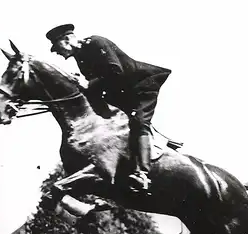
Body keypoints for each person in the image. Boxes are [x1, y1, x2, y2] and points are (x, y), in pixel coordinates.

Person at [45, 24, 172, 193]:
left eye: (57, 47)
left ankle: (142, 173)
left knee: (138, 122)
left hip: (142, 86)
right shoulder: (80, 57)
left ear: (67, 40)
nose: (57, 53)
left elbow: (115, 71)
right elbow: (97, 84)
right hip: (122, 90)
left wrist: (88, 84)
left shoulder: (96, 43)